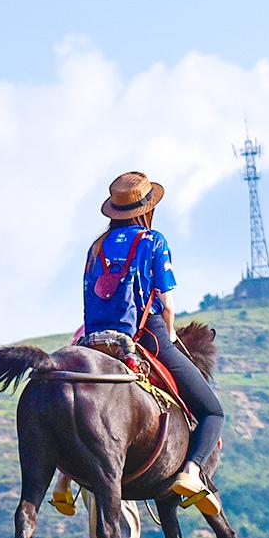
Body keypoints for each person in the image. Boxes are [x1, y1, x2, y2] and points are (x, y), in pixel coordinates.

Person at [73, 170, 225, 501]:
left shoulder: (95, 247)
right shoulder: (153, 241)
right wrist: (167, 337)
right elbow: (166, 305)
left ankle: (64, 480)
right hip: (146, 335)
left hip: (95, 340)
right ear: (146, 210)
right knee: (213, 411)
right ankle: (191, 472)